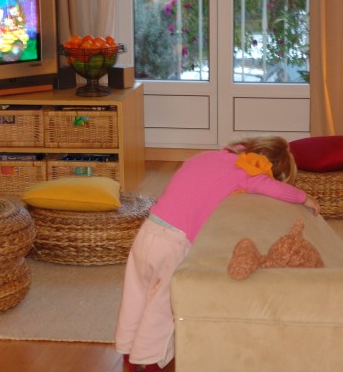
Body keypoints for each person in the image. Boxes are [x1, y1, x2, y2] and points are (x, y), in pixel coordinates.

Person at [114, 136, 320, 372]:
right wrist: (304, 197)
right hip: (174, 242)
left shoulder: (207, 156)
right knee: (163, 305)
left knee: (136, 293)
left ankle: (127, 353)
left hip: (148, 230)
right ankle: (149, 361)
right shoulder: (246, 171)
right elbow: (272, 188)